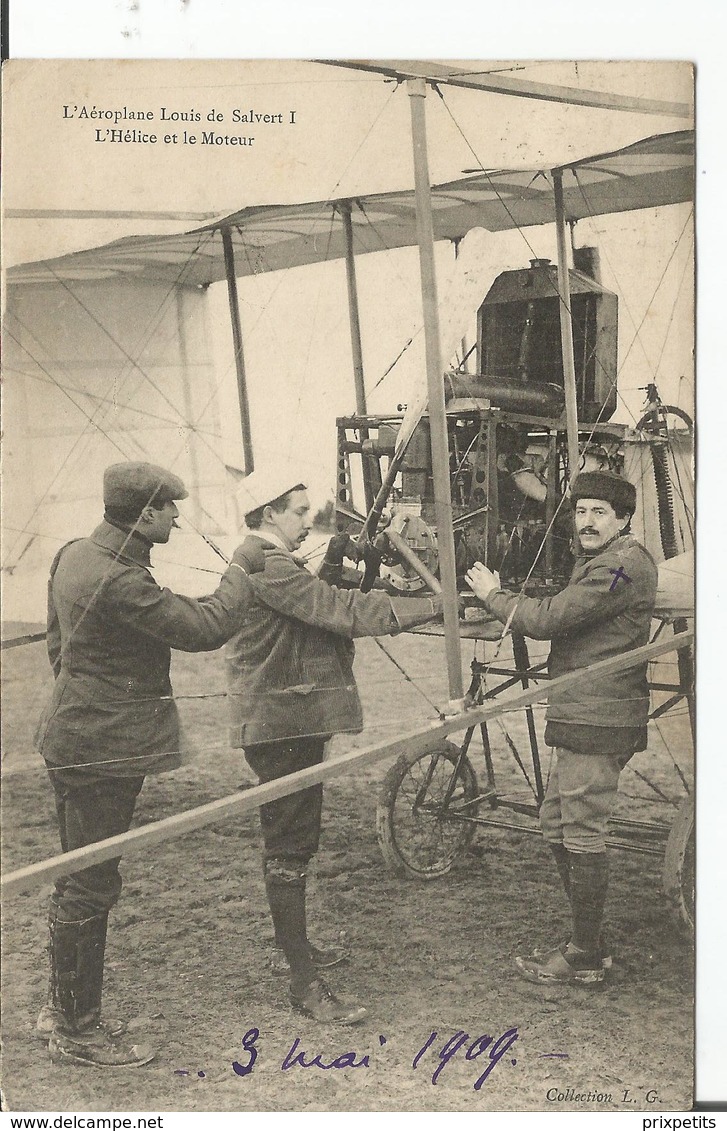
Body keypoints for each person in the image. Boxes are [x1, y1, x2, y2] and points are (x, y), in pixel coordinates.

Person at [35, 461, 264, 1068]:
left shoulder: (73, 555)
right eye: (170, 509)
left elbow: (58, 646)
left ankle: (60, 1006)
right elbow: (206, 626)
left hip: (70, 736)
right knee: (92, 879)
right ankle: (77, 1029)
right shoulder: (121, 580)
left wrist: (87, 701)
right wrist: (241, 566)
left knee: (76, 871)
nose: (177, 517)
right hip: (104, 749)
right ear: (144, 515)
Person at [226, 465, 444, 1024]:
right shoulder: (269, 563)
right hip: (283, 724)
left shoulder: (267, 559)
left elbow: (327, 593)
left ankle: (297, 948)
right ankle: (304, 983)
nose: (308, 521)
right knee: (290, 846)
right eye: (299, 511)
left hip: (286, 719)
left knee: (294, 840)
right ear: (269, 512)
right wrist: (436, 604)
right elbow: (337, 609)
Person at [465, 471, 658, 987]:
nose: (587, 521)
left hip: (600, 715)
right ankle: (588, 938)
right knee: (555, 821)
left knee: (581, 828)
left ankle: (586, 955)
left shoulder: (620, 565)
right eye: (580, 511)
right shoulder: (599, 561)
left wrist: (494, 596)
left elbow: (549, 620)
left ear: (623, 519)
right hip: (581, 712)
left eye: (599, 512)